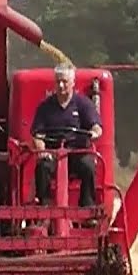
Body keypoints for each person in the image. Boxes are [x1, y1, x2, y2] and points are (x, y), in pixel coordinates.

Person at [30, 63, 102, 207]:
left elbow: (97, 127)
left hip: (77, 153)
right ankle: (44, 207)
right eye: (58, 82)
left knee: (88, 166)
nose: (61, 85)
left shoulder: (84, 104)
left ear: (73, 83)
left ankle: (87, 208)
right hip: (53, 154)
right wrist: (42, 150)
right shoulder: (45, 107)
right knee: (42, 167)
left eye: (65, 81)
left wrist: (94, 133)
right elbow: (37, 134)